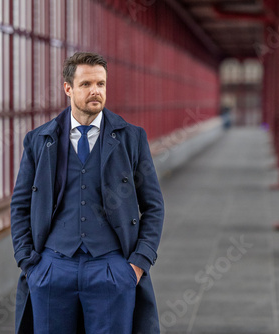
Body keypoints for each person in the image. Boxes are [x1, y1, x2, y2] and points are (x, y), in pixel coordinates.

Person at [10, 52, 164, 334]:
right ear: (68, 88)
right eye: (86, 84)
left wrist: (137, 265)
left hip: (111, 269)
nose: (96, 91)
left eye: (101, 84)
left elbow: (153, 206)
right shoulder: (39, 140)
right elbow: (20, 205)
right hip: (52, 268)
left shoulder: (131, 137)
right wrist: (29, 264)